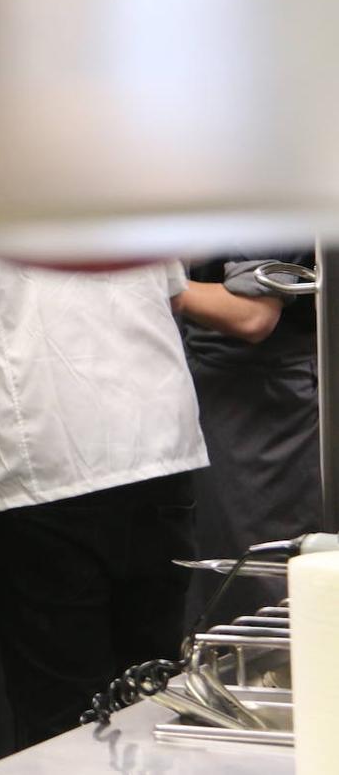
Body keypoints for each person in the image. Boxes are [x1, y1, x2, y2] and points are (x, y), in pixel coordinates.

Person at [0, 252, 208, 751]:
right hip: (162, 449)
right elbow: (169, 287)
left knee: (69, 728)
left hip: (51, 466)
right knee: (150, 704)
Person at [175, 250, 320, 624]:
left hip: (263, 410)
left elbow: (251, 313)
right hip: (213, 400)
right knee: (217, 588)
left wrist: (144, 281)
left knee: (264, 584)